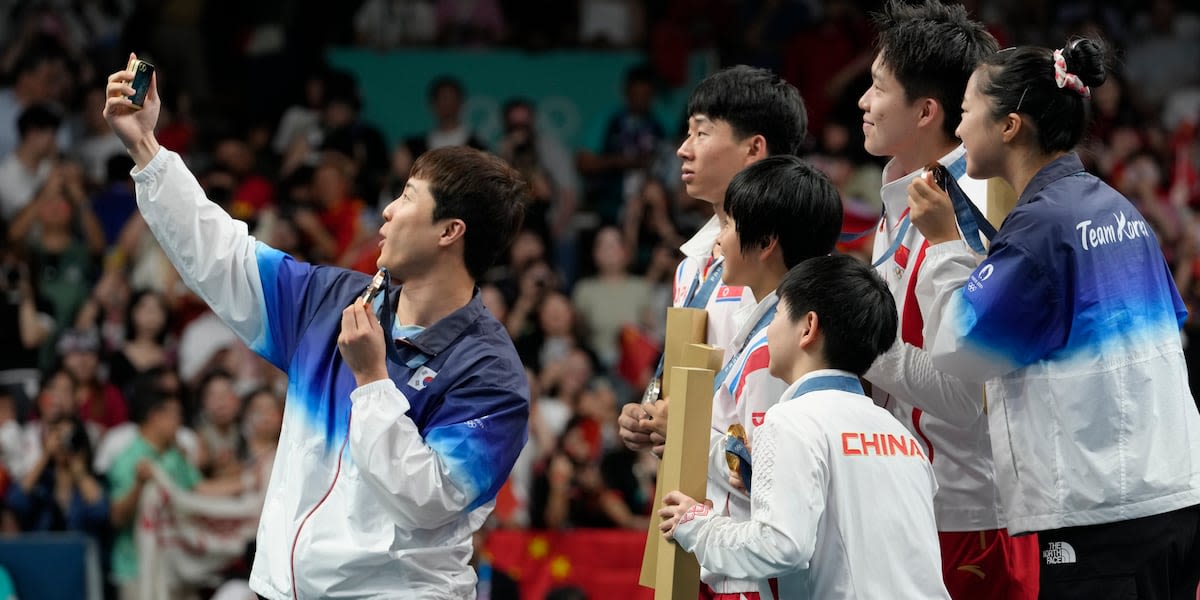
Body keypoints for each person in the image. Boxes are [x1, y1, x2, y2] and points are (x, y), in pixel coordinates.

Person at [104, 54, 531, 599]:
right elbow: (224, 255)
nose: (387, 213)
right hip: (281, 589)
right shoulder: (333, 301)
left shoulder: (491, 375)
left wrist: (373, 380)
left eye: (406, 197)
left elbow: (428, 500)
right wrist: (146, 148)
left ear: (450, 232)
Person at [907, 37, 1200, 598]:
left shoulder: (1042, 227)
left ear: (1010, 125)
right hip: (1174, 500)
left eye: (966, 113)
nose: (960, 130)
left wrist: (944, 243)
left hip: (1100, 519)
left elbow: (961, 349)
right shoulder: (1118, 209)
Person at [854, 2, 1039, 597]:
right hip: (906, 493)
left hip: (969, 514)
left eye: (878, 88)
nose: (862, 101)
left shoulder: (980, 208)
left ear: (927, 111)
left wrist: (851, 337)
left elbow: (966, 396)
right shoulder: (903, 195)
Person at [617, 65, 807, 598]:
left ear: (754, 149)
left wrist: (687, 429)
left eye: (701, 131)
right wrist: (649, 410)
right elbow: (681, 387)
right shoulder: (694, 264)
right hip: (690, 531)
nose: (683, 148)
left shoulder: (788, 267)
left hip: (756, 541)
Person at [658, 254, 948, 600]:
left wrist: (696, 525)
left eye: (777, 313)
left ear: (808, 328)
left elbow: (781, 546)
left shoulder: (790, 422)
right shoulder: (901, 435)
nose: (769, 329)